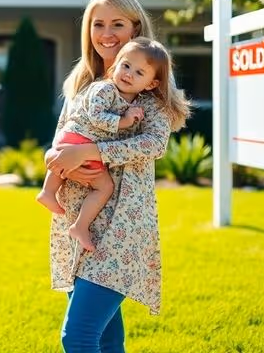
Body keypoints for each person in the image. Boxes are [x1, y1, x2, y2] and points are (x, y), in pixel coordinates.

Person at [44, 0, 190, 353]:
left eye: (118, 24)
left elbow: (153, 145)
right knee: (107, 339)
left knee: (77, 336)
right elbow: (62, 138)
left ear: (136, 28)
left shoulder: (150, 87)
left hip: (122, 224)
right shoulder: (82, 83)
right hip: (79, 221)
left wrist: (93, 152)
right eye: (98, 24)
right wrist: (58, 156)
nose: (106, 33)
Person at [37, 36, 180, 253]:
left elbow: (155, 143)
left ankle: (59, 203)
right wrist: (124, 121)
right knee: (105, 187)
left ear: (151, 83)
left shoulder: (138, 102)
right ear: (116, 65)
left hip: (79, 141)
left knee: (99, 184)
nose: (128, 73)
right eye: (125, 65)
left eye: (139, 72)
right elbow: (97, 116)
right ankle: (77, 222)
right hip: (79, 138)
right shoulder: (104, 89)